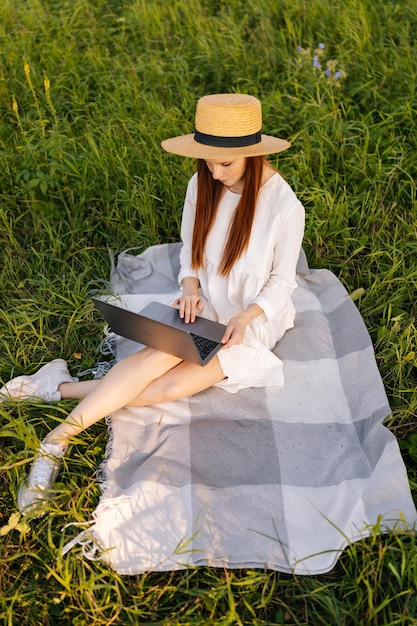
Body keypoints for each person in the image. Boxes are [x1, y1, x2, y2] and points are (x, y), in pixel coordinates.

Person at [1, 94, 305, 514]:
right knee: (151, 359)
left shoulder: (284, 207)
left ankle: (55, 387)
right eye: (208, 161)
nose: (214, 173)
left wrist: (246, 315)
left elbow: (282, 281)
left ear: (251, 154)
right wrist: (191, 287)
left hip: (248, 320)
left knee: (170, 387)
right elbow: (191, 251)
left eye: (225, 165)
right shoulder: (201, 183)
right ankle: (55, 441)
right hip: (203, 307)